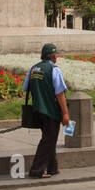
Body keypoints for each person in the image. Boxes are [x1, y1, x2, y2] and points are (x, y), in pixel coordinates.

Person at [23, 43, 70, 179]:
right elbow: (60, 93)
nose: (57, 57)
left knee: (50, 138)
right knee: (48, 140)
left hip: (38, 110)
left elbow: (26, 87)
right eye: (56, 55)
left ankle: (52, 168)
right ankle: (36, 170)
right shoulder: (54, 69)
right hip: (51, 111)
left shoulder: (34, 69)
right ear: (52, 56)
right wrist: (65, 113)